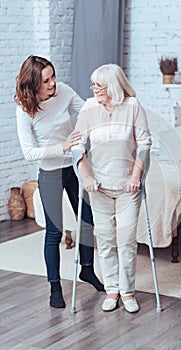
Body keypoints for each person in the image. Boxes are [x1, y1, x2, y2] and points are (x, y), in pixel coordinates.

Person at [14, 55, 104, 309]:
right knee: (54, 231)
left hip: (74, 166)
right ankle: (54, 286)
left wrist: (105, 96)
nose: (53, 83)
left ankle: (87, 270)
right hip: (51, 172)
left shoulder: (63, 91)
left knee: (87, 219)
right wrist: (61, 146)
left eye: (53, 76)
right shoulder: (24, 109)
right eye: (46, 80)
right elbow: (29, 152)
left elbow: (85, 108)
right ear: (33, 85)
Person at [72, 63, 151, 313]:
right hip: (99, 188)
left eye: (99, 85)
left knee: (126, 241)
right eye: (92, 84)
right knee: (105, 240)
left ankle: (127, 292)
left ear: (114, 86)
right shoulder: (88, 108)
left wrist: (136, 175)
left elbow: (145, 143)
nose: (94, 89)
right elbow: (77, 146)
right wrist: (86, 177)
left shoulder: (133, 107)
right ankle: (112, 290)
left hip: (128, 187)